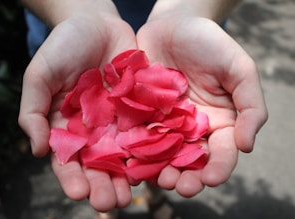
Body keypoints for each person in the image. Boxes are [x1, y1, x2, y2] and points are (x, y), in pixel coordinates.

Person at [18, 0, 268, 217]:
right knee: (108, 178)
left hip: (184, 36)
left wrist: (192, 9)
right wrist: (75, 11)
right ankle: (108, 208)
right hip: (70, 33)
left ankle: (154, 195)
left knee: (156, 162)